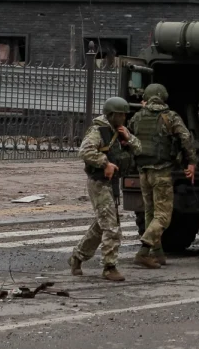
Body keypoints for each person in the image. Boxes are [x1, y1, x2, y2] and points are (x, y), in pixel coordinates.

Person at [69, 97, 142, 282]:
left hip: (112, 184)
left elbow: (140, 149)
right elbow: (84, 151)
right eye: (121, 114)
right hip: (99, 183)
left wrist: (129, 137)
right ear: (112, 115)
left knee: (101, 226)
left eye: (125, 114)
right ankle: (109, 267)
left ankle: (77, 257)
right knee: (111, 227)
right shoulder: (98, 130)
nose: (124, 117)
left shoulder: (119, 131)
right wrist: (105, 163)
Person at [128, 83, 197, 268]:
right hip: (162, 172)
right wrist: (191, 162)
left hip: (143, 172)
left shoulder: (138, 116)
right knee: (163, 216)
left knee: (150, 212)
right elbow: (185, 138)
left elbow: (128, 135)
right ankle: (144, 250)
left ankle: (157, 254)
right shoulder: (170, 117)